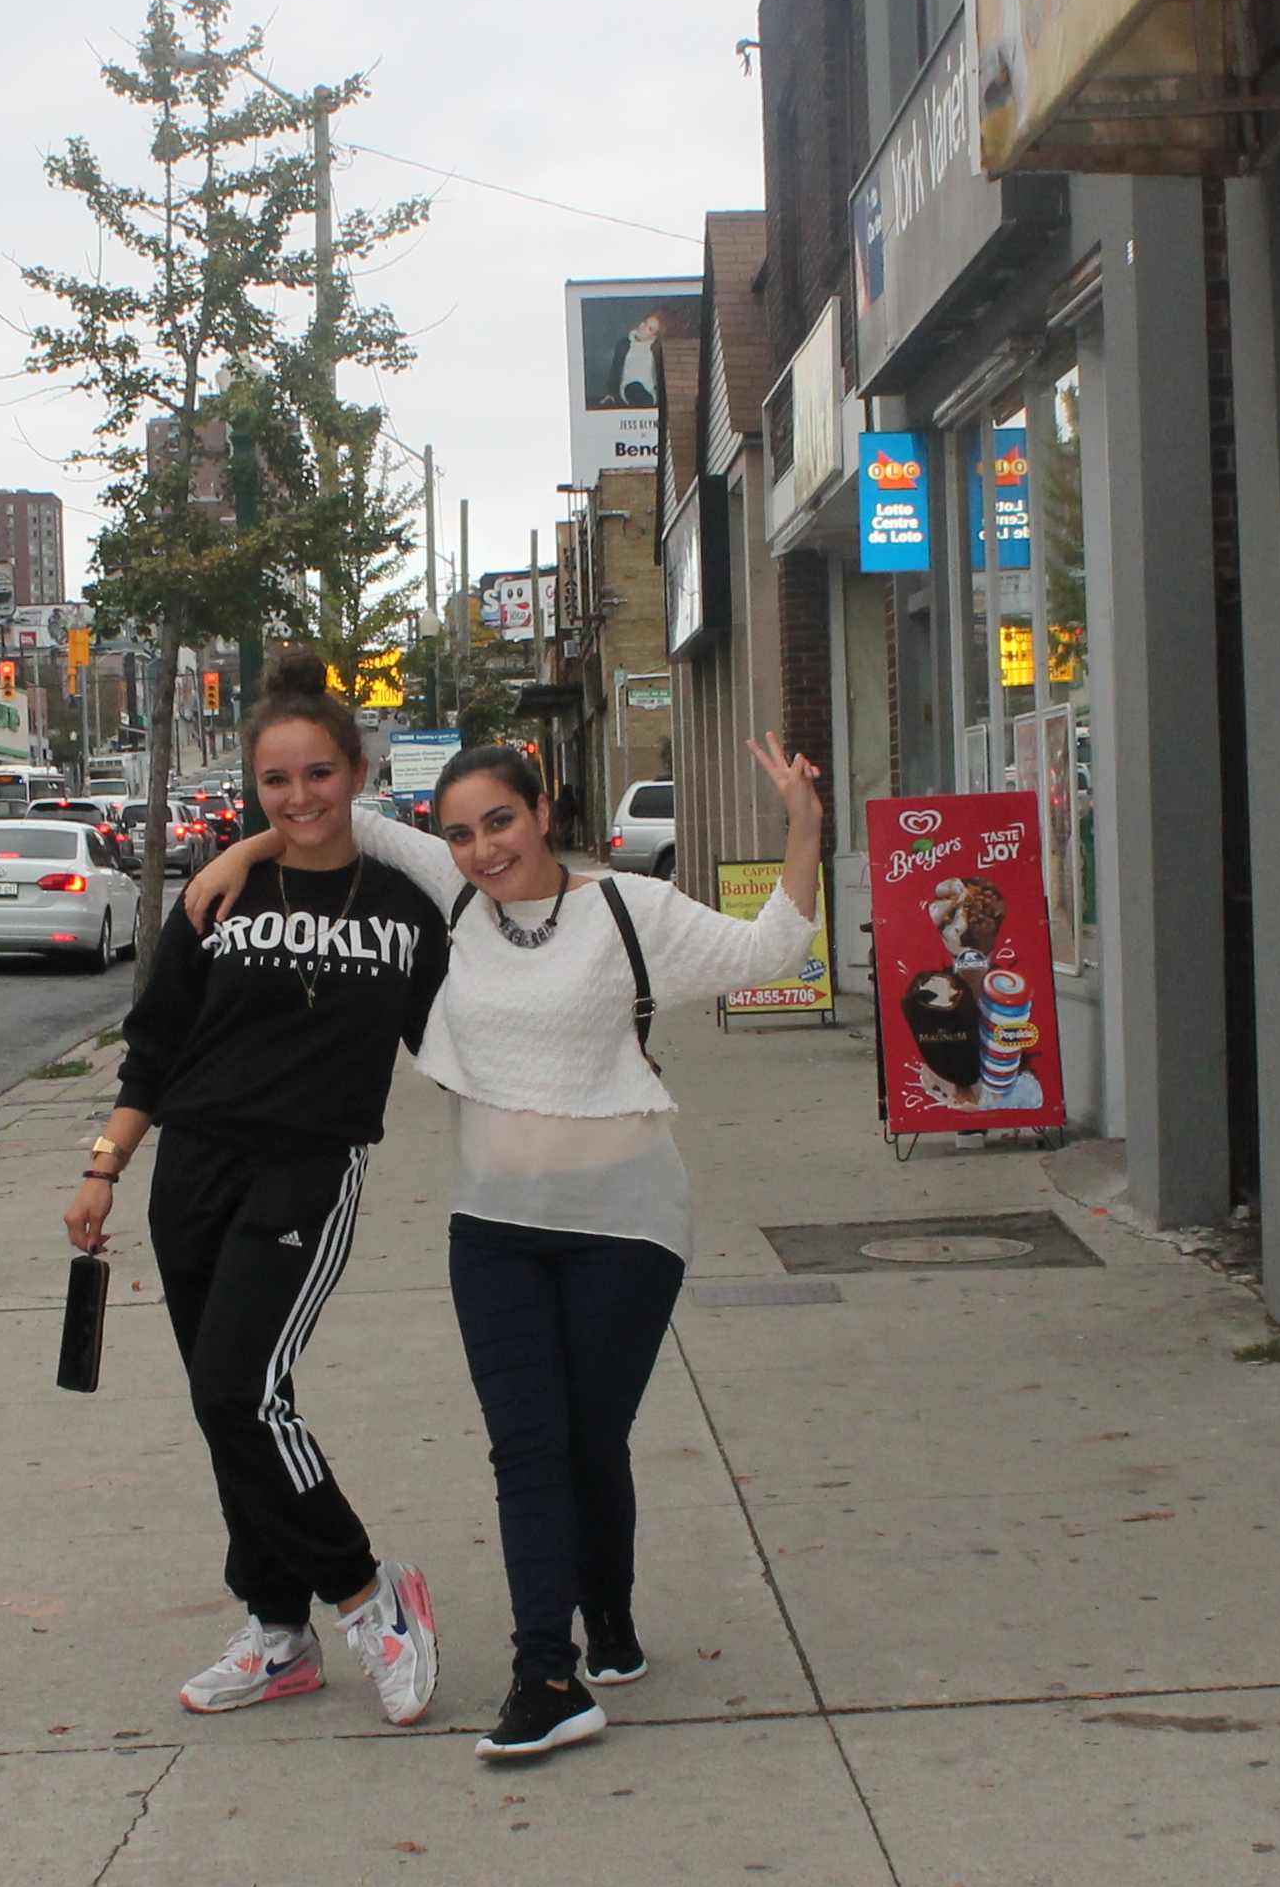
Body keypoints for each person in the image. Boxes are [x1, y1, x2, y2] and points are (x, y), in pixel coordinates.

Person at [185, 732, 825, 1763]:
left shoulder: (631, 910)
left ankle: (606, 1614)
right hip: (493, 1230)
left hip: (625, 1226)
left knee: (589, 1441)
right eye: (461, 833)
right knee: (528, 1446)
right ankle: (546, 1676)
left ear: (544, 812)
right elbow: (339, 818)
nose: (482, 849)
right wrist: (241, 851)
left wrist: (804, 828)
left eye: (501, 822)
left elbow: (770, 952)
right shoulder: (453, 898)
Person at [68, 652, 453, 1726]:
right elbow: (156, 1042)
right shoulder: (218, 894)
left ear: (358, 772)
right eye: (275, 780)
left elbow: (459, 1036)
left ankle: (370, 1598)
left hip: (307, 1170)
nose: (298, 797)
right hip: (191, 1169)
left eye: (319, 773)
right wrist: (105, 1164)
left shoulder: (407, 909)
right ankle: (278, 1630)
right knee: (224, 1406)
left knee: (243, 1393)